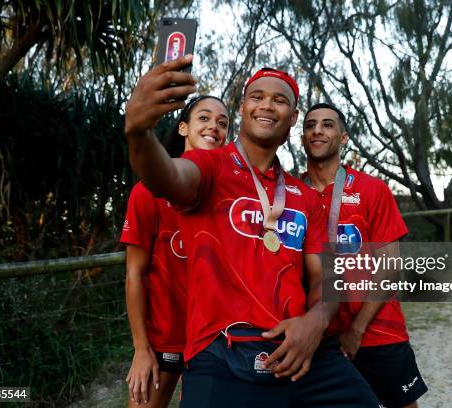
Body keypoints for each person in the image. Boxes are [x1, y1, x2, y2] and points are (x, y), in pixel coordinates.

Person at [124, 55, 379, 407]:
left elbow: (326, 277)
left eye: (279, 100)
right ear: (243, 108)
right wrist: (139, 132)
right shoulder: (209, 165)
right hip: (221, 355)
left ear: (292, 120)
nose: (266, 105)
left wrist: (316, 321)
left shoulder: (303, 196)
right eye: (257, 97)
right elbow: (167, 177)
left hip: (302, 352)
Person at [301, 103, 428, 408]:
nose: (317, 130)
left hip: (377, 332)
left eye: (328, 124)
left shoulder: (372, 190)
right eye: (310, 125)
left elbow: (390, 266)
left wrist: (357, 330)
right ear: (302, 136)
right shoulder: (291, 194)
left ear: (343, 137)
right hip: (319, 338)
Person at [120, 95, 229, 406]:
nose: (214, 127)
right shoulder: (147, 193)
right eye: (204, 118)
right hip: (164, 340)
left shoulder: (232, 199)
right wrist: (141, 348)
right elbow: (135, 274)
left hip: (217, 342)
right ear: (183, 128)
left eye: (222, 123)